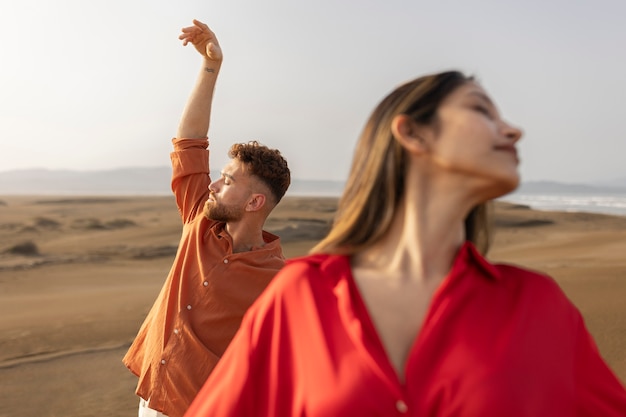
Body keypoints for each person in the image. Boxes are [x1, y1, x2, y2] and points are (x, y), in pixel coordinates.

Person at [184, 72, 626, 416]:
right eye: (481, 110)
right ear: (412, 133)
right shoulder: (303, 295)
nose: (513, 131)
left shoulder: (536, 304)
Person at [122, 19, 290, 417]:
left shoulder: (279, 282)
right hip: (151, 399)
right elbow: (189, 143)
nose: (213, 185)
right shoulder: (201, 220)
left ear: (254, 203)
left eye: (228, 180)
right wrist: (210, 67)